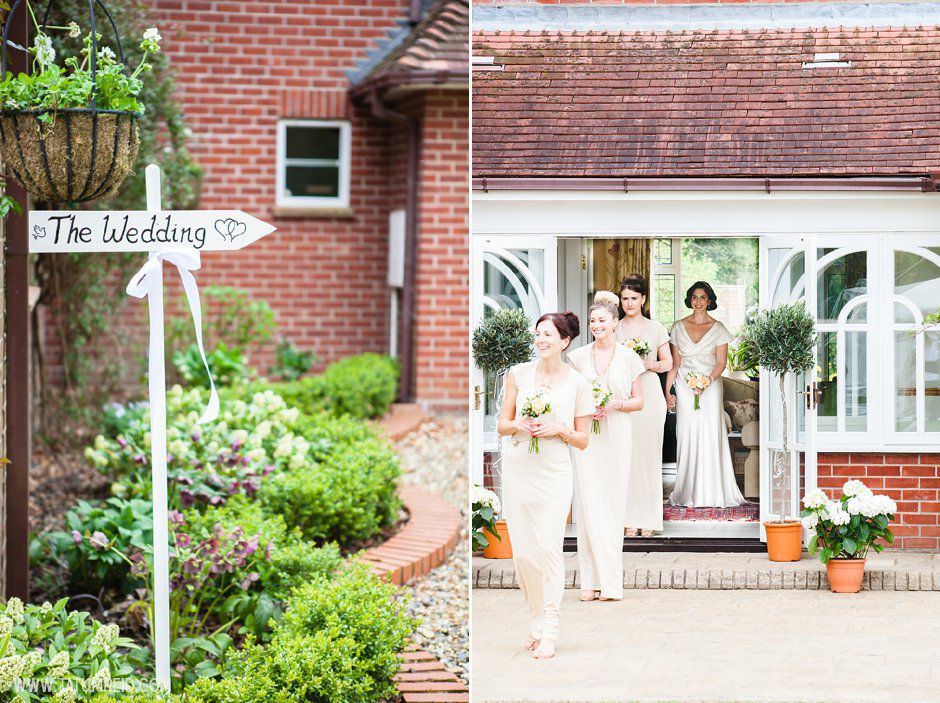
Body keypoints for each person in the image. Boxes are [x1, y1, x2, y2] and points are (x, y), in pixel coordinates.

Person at [497, 311, 594, 659]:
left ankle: (550, 627)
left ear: (565, 341)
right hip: (519, 468)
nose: (541, 340)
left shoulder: (578, 383)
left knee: (549, 548)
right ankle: (536, 617)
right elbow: (502, 424)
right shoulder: (518, 374)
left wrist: (561, 430)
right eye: (538, 333)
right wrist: (519, 424)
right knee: (524, 553)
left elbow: (583, 439)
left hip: (554, 471)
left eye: (549, 334)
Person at [568, 291, 644, 601]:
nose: (597, 325)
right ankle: (589, 582)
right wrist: (586, 409)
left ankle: (611, 584)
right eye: (592, 321)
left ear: (614, 322)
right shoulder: (577, 358)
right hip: (587, 439)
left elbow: (639, 401)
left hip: (616, 437)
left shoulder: (629, 358)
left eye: (602, 320)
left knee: (611, 508)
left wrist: (615, 404)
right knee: (588, 507)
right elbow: (570, 398)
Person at [665, 281, 745, 508]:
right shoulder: (678, 327)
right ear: (689, 300)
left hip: (710, 387)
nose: (698, 301)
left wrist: (707, 381)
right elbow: (675, 363)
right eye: (694, 297)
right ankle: (687, 491)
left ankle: (713, 491)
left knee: (710, 433)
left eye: (703, 297)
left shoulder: (718, 328)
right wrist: (667, 390)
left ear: (710, 301)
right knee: (688, 435)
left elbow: (721, 363)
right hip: (684, 386)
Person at [614, 274, 672, 537]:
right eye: (625, 298)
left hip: (649, 394)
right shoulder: (614, 328)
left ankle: (648, 519)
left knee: (648, 458)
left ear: (643, 299)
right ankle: (628, 518)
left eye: (633, 298)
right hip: (623, 394)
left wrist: (648, 364)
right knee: (625, 458)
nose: (629, 303)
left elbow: (668, 362)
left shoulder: (655, 328)